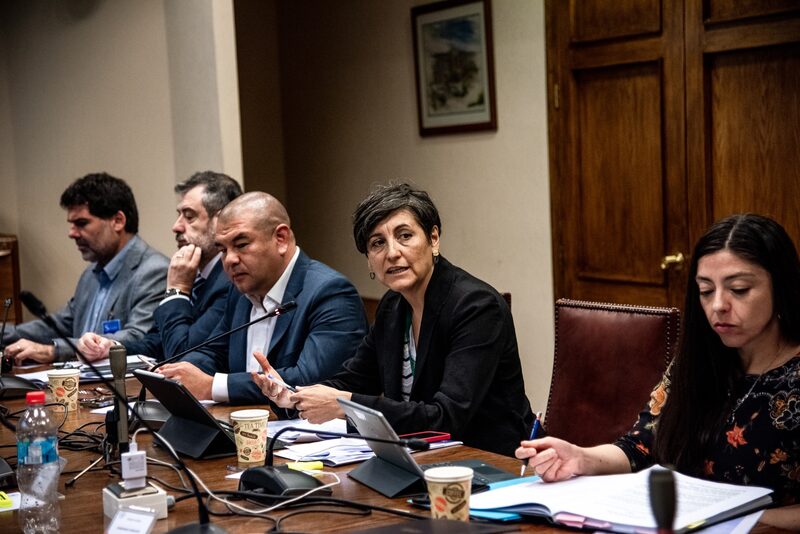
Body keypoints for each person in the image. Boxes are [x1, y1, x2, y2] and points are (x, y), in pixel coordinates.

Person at [515, 214, 799, 530]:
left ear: (782, 286)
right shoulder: (699, 360)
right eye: (706, 291)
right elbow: (644, 444)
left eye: (740, 289)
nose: (718, 305)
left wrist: (736, 521)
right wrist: (580, 457)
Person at [255, 183, 533, 457]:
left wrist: (346, 404)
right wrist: (291, 396)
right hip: (417, 457)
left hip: (491, 462)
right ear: (369, 260)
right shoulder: (393, 307)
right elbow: (352, 382)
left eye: (405, 236)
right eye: (378, 243)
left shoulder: (476, 306)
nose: (392, 252)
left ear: (433, 238)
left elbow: (447, 419)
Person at [156, 191, 368, 405]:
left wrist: (212, 386)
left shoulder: (331, 293)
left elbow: (309, 380)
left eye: (241, 245)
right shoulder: (239, 292)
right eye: (222, 249)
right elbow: (214, 352)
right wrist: (175, 373)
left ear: (281, 239)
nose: (230, 259)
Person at [3, 173, 169, 363]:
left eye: (81, 223)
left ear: (118, 221)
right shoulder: (91, 274)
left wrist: (54, 351)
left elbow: (138, 338)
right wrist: (4, 334)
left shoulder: (154, 270)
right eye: (71, 224)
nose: (72, 233)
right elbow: (57, 325)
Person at [77, 171, 241, 361]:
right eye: (179, 215)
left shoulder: (231, 280)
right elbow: (156, 343)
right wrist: (110, 347)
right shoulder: (192, 274)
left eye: (189, 216)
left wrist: (177, 291)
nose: (176, 226)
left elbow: (182, 354)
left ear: (220, 222)